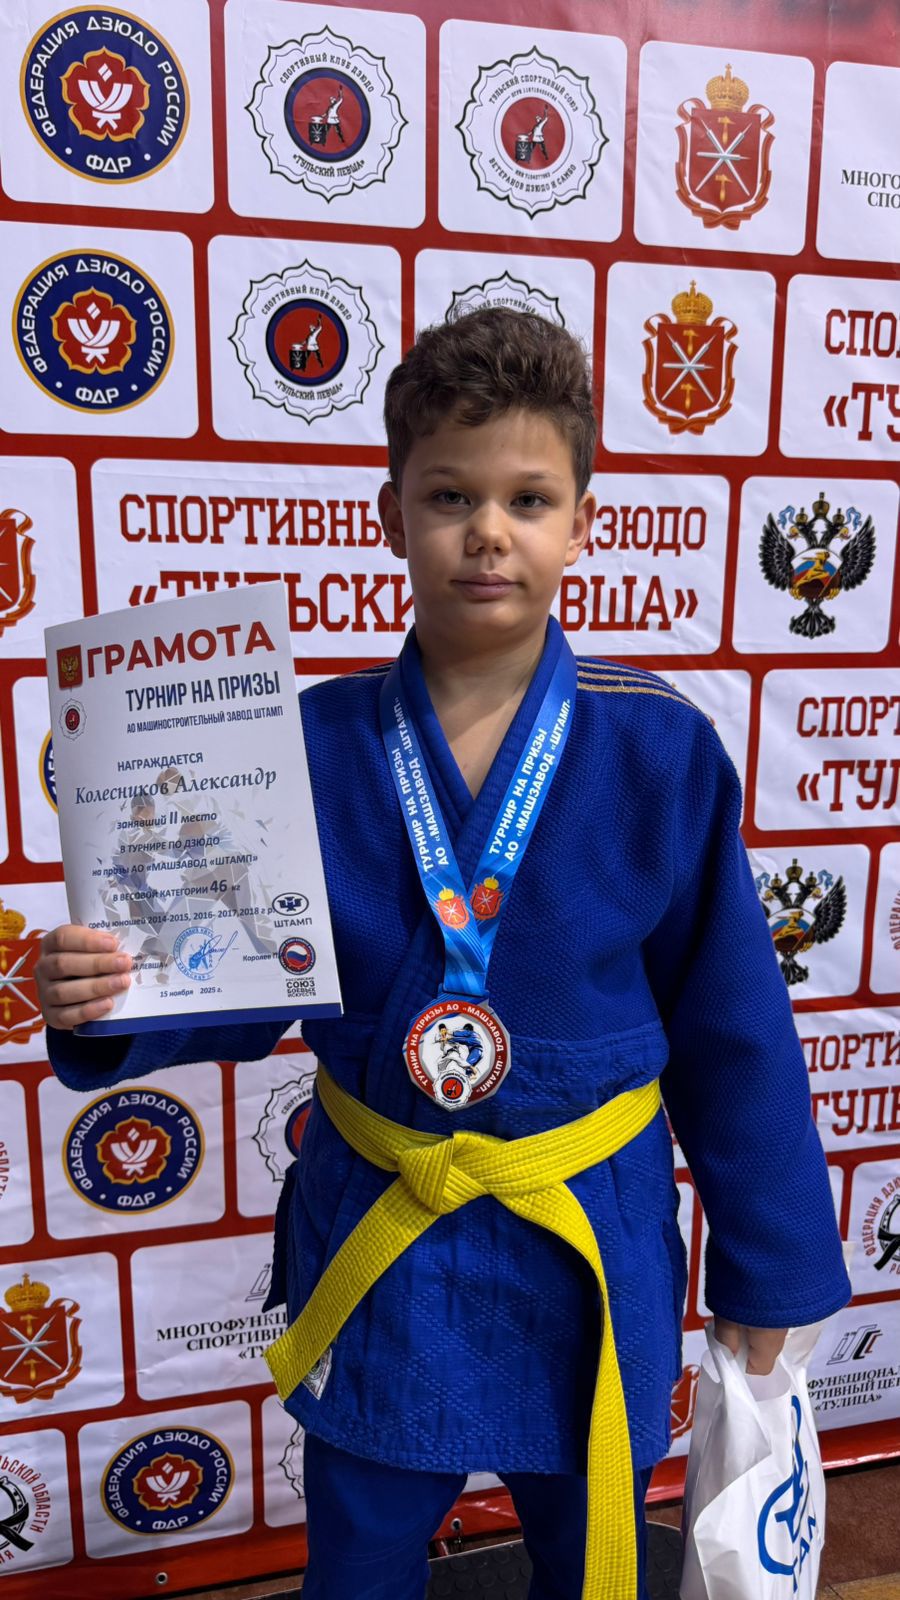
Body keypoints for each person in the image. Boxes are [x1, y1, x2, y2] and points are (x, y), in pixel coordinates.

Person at [35, 308, 850, 1600]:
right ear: (391, 513)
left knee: (592, 1553)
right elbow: (227, 976)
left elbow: (733, 1030)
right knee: (359, 1554)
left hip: (584, 1233)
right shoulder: (302, 747)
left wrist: (773, 1263)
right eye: (451, 495)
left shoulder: (659, 751)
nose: (488, 531)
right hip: (386, 1231)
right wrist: (106, 998)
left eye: (529, 499)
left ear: (583, 523)